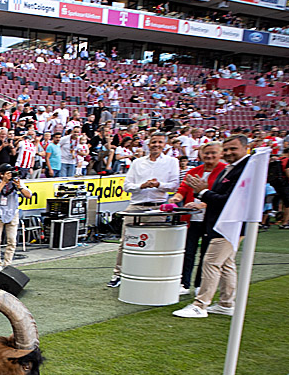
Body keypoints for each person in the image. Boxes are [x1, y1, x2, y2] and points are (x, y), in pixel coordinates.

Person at [173, 136, 252, 319]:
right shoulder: (234, 168)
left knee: (211, 262)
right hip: (223, 223)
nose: (229, 153)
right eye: (227, 149)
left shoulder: (242, 170)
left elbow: (228, 201)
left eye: (233, 148)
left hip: (229, 224)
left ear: (246, 148)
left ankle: (200, 304)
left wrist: (202, 192)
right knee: (226, 264)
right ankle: (226, 303)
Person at [107, 133, 179, 288]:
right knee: (125, 242)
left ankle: (149, 275)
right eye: (154, 142)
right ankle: (118, 274)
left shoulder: (172, 162)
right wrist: (142, 186)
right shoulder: (137, 162)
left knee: (154, 244)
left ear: (164, 144)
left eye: (160, 142)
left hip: (157, 207)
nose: (156, 145)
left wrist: (159, 185)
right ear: (148, 144)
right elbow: (127, 186)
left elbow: (174, 185)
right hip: (136, 206)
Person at [166, 144, 225, 296]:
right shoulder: (193, 171)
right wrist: (174, 199)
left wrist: (202, 204)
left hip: (212, 220)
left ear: (220, 154)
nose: (209, 156)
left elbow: (222, 198)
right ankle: (184, 283)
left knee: (207, 254)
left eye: (213, 153)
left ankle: (200, 284)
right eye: (206, 153)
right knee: (188, 252)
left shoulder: (224, 172)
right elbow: (182, 191)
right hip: (192, 220)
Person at [0, 164, 32, 273]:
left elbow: (28, 195)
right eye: (8, 173)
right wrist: (3, 182)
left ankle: (7, 264)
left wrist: (19, 187)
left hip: (13, 213)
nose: (10, 175)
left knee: (12, 240)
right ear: (1, 174)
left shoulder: (17, 181)